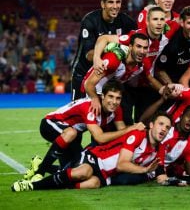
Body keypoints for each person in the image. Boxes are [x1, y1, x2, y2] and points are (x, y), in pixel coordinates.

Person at [12, 111, 171, 191]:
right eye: (161, 124)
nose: (163, 129)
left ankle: (47, 168)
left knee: (92, 183)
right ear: (151, 125)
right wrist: (145, 170)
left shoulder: (160, 148)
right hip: (94, 157)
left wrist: (175, 181)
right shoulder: (137, 135)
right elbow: (122, 165)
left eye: (167, 127)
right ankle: (32, 185)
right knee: (84, 172)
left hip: (104, 174)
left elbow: (160, 174)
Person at [21, 80, 145, 182]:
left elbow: (122, 131)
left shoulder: (116, 110)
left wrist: (139, 131)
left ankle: (40, 165)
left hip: (71, 135)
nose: (114, 102)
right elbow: (99, 137)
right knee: (71, 133)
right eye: (110, 97)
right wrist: (131, 128)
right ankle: (40, 173)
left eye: (118, 98)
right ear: (102, 96)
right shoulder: (90, 107)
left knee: (79, 166)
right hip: (50, 124)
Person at [70, 0, 136, 100]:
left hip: (108, 75)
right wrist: (112, 48)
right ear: (103, 4)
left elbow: (140, 38)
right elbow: (89, 55)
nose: (115, 6)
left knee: (106, 114)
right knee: (79, 112)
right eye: (111, 2)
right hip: (83, 72)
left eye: (118, 2)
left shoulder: (126, 21)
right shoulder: (90, 20)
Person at [83, 33, 150, 117]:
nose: (142, 51)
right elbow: (88, 84)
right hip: (90, 92)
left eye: (145, 48)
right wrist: (95, 99)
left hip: (107, 95)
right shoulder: (114, 60)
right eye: (138, 46)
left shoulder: (142, 65)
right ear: (130, 47)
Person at [155, 6, 190, 85]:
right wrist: (171, 86)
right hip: (171, 80)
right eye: (189, 23)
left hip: (189, 77)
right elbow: (159, 70)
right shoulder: (172, 44)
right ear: (182, 23)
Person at [155, 105, 190, 186]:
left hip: (160, 172)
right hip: (148, 165)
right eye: (189, 116)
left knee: (186, 178)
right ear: (181, 116)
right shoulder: (166, 130)